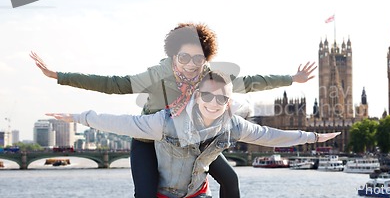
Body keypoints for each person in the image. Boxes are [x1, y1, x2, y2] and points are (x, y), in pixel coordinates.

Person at [30, 22, 317, 198]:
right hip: (150, 139)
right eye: (184, 57)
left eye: (199, 58)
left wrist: (293, 79)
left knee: (231, 180)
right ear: (172, 55)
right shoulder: (158, 74)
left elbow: (251, 82)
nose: (192, 64)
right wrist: (59, 75)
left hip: (191, 141)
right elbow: (112, 84)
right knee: (145, 193)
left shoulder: (210, 74)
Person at [47, 70, 341, 198]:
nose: (214, 104)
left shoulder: (232, 124)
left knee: (231, 179)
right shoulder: (164, 122)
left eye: (221, 99)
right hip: (164, 190)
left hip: (196, 192)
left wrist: (312, 137)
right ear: (196, 96)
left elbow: (269, 135)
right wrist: (78, 117)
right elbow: (121, 122)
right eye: (208, 97)